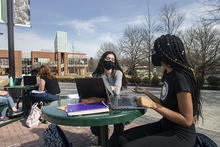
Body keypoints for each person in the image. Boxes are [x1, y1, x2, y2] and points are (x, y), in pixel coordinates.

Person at [110, 34, 203, 147]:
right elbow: (165, 104)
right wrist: (146, 92)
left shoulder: (180, 78)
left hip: (181, 135)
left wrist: (152, 105)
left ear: (164, 53)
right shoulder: (168, 74)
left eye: (154, 51)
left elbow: (187, 121)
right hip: (165, 125)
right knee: (119, 138)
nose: (152, 54)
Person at [90, 51, 128, 143]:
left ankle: (110, 143)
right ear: (103, 60)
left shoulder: (118, 73)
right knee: (96, 128)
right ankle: (102, 139)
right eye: (108, 58)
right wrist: (110, 86)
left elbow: (117, 92)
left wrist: (106, 86)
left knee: (119, 128)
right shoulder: (97, 75)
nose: (110, 61)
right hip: (101, 102)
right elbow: (96, 91)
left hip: (116, 103)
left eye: (113, 59)